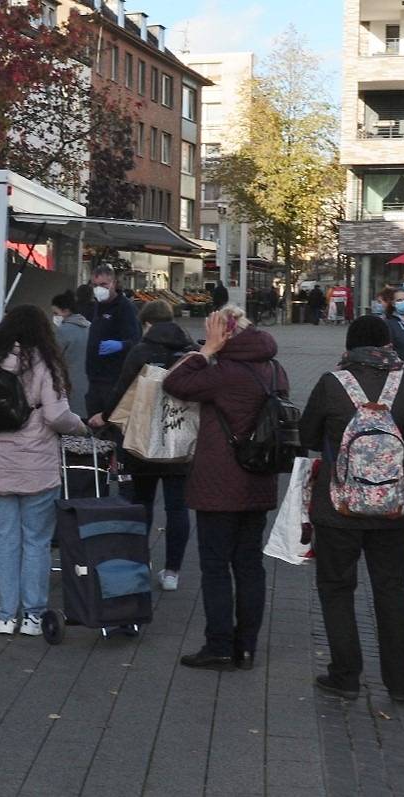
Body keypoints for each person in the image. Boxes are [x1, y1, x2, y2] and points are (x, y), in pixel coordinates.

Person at [300, 316, 404, 703]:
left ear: (349, 346)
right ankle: (401, 683)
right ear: (389, 344)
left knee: (337, 589)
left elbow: (308, 435)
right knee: (391, 589)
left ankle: (345, 675)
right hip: (392, 508)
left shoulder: (332, 382)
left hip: (338, 508)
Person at [162, 306, 286, 671]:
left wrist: (206, 352)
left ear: (224, 335)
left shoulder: (224, 373)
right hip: (259, 479)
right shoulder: (274, 369)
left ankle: (218, 646)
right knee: (250, 565)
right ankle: (246, 648)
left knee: (216, 566)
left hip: (219, 484)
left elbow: (175, 383)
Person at [0, 305, 90, 636]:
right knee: (36, 541)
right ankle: (33, 616)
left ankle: (5, 616)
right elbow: (56, 417)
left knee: (4, 540)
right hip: (37, 467)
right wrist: (81, 427)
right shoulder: (45, 363)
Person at [93, 300, 196, 592]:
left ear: (147, 324)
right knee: (177, 508)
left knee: (142, 502)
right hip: (179, 441)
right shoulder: (190, 353)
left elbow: (122, 390)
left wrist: (105, 416)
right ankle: (172, 571)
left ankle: (140, 560)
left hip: (143, 439)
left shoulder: (141, 351)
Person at [84, 265, 141, 418]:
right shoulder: (96, 306)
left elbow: (136, 340)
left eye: (103, 285)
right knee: (93, 419)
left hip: (113, 379)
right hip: (94, 378)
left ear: (114, 283)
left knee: (109, 420)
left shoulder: (125, 308)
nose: (99, 289)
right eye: (95, 285)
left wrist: (121, 345)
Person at [50, 290, 92, 418]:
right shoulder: (90, 327)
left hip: (70, 386)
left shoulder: (63, 331)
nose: (54, 317)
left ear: (66, 311)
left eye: (56, 313)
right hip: (90, 385)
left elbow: (53, 358)